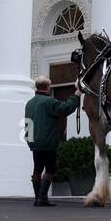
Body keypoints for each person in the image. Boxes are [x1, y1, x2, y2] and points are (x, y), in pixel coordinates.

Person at [24, 76, 79, 207]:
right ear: (48, 87)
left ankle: (37, 197)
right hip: (48, 142)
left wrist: (30, 140)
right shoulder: (49, 102)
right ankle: (42, 198)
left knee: (37, 169)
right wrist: (77, 95)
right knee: (49, 169)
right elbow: (66, 108)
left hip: (34, 142)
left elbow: (27, 122)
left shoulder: (29, 103)